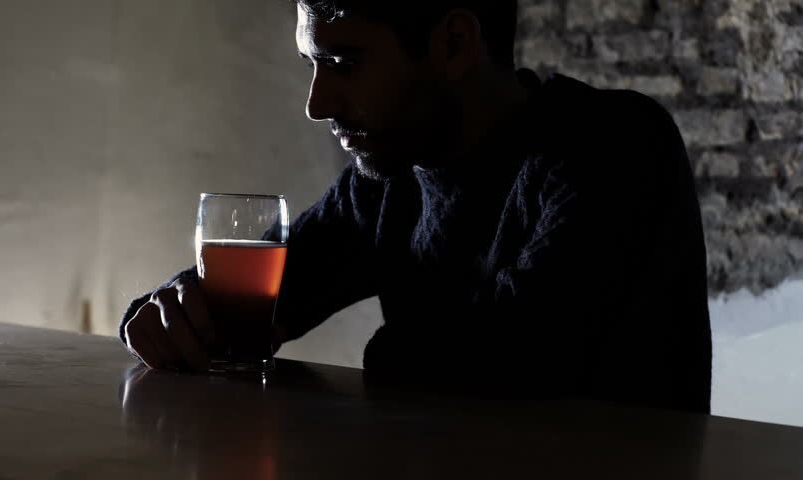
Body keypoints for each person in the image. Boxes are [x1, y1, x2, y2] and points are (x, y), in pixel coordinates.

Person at [119, 0, 712, 413]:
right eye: (312, 65)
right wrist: (176, 313)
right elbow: (258, 306)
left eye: (344, 63)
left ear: (453, 44)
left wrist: (393, 353)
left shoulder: (614, 145)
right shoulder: (390, 177)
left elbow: (523, 356)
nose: (317, 104)